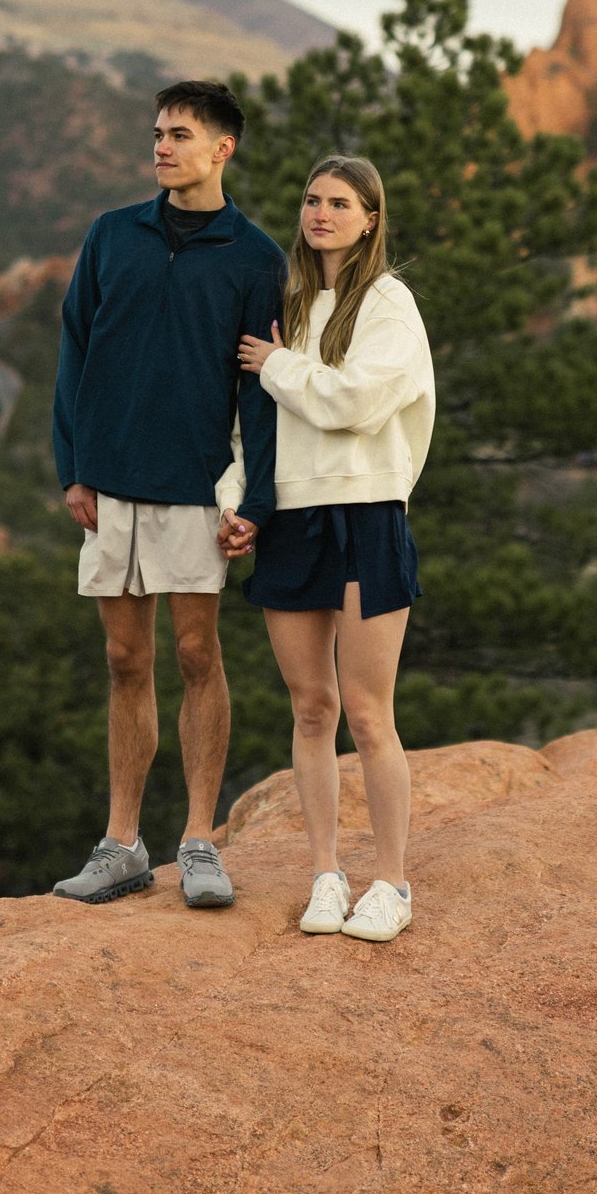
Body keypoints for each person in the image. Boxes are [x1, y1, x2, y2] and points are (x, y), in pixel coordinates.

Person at [49, 80, 285, 908]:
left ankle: (197, 841)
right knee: (123, 659)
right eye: (157, 132)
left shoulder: (256, 259)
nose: (160, 146)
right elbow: (74, 349)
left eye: (178, 134)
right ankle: (120, 844)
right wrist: (71, 464)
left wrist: (257, 500)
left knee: (195, 655)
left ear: (222, 148)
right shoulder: (112, 236)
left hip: (195, 487)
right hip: (109, 483)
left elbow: (260, 391)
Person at [235, 155, 434, 943]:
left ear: (371, 217)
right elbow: (247, 422)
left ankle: (391, 881)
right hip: (291, 518)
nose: (321, 213)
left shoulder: (390, 304)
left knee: (368, 711)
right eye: (313, 199)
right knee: (311, 708)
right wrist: (236, 505)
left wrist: (278, 362)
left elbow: (356, 403)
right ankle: (325, 872)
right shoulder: (283, 301)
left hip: (367, 516)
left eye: (340, 202)